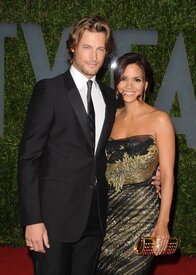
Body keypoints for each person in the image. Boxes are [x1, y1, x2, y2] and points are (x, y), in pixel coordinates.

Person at [18, 16, 161, 275]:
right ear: (73, 47)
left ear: (106, 53)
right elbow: (29, 157)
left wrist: (153, 171)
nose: (93, 56)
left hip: (95, 217)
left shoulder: (108, 96)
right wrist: (32, 220)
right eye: (87, 47)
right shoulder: (49, 91)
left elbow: (118, 147)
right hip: (53, 220)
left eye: (100, 49)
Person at [97, 52, 175, 275]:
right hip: (108, 213)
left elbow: (168, 175)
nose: (129, 85)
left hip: (141, 214)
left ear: (146, 85)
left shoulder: (159, 120)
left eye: (136, 79)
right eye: (123, 78)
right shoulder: (110, 117)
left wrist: (163, 222)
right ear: (116, 82)